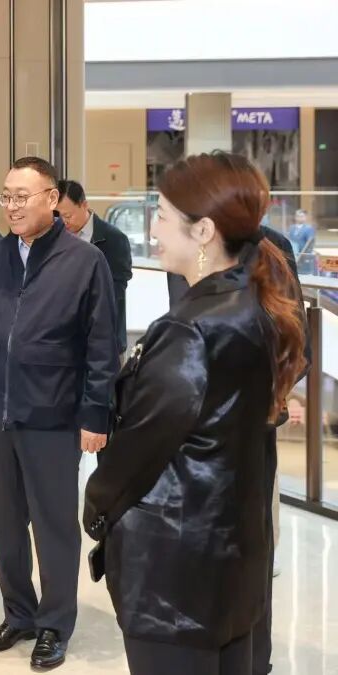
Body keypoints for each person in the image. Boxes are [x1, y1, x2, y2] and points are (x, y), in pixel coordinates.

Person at [83, 151, 307, 675]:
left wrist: (96, 507)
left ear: (203, 231)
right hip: (235, 550)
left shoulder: (190, 330)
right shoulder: (256, 302)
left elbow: (139, 449)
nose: (152, 230)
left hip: (176, 570)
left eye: (161, 216)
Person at [0, 157, 118, 671]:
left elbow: (102, 345)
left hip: (54, 414)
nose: (11, 206)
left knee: (53, 527)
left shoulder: (84, 261)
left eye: (21, 196)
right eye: (6, 196)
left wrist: (96, 415)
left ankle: (54, 624)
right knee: (5, 525)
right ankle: (19, 615)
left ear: (52, 199)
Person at [165, 211, 308, 675]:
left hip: (248, 431)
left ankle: (253, 660)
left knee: (250, 549)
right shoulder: (184, 252)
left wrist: (266, 398)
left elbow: (296, 343)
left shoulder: (272, 248)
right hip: (191, 435)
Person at [57, 180, 134, 357]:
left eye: (68, 216)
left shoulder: (114, 239)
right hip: (64, 346)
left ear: (84, 205)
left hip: (104, 343)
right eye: (58, 216)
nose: (63, 222)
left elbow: (115, 293)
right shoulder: (54, 238)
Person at [288, 208, 317, 275]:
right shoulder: (292, 228)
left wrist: (303, 256)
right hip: (293, 255)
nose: (299, 218)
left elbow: (310, 244)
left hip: (303, 256)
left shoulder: (308, 229)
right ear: (295, 217)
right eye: (298, 216)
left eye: (302, 216)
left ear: (305, 217)